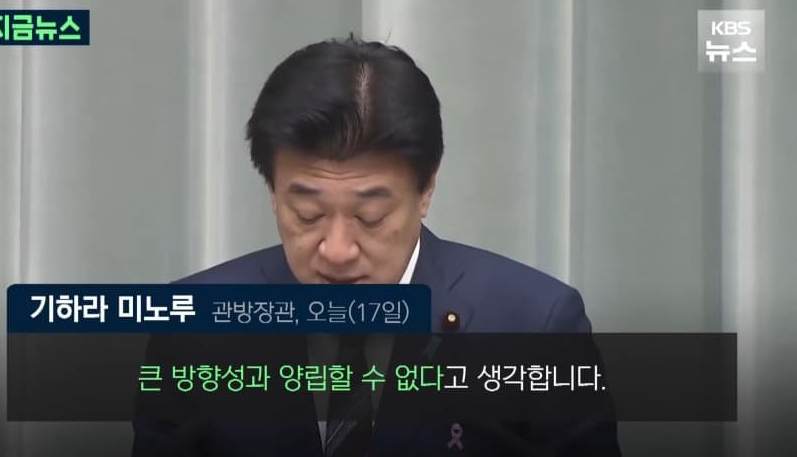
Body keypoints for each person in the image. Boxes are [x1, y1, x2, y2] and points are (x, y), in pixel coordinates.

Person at [132, 34, 621, 456]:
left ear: (426, 190)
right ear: (273, 193)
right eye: (309, 215)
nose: (337, 251)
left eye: (370, 217)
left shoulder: (535, 329)